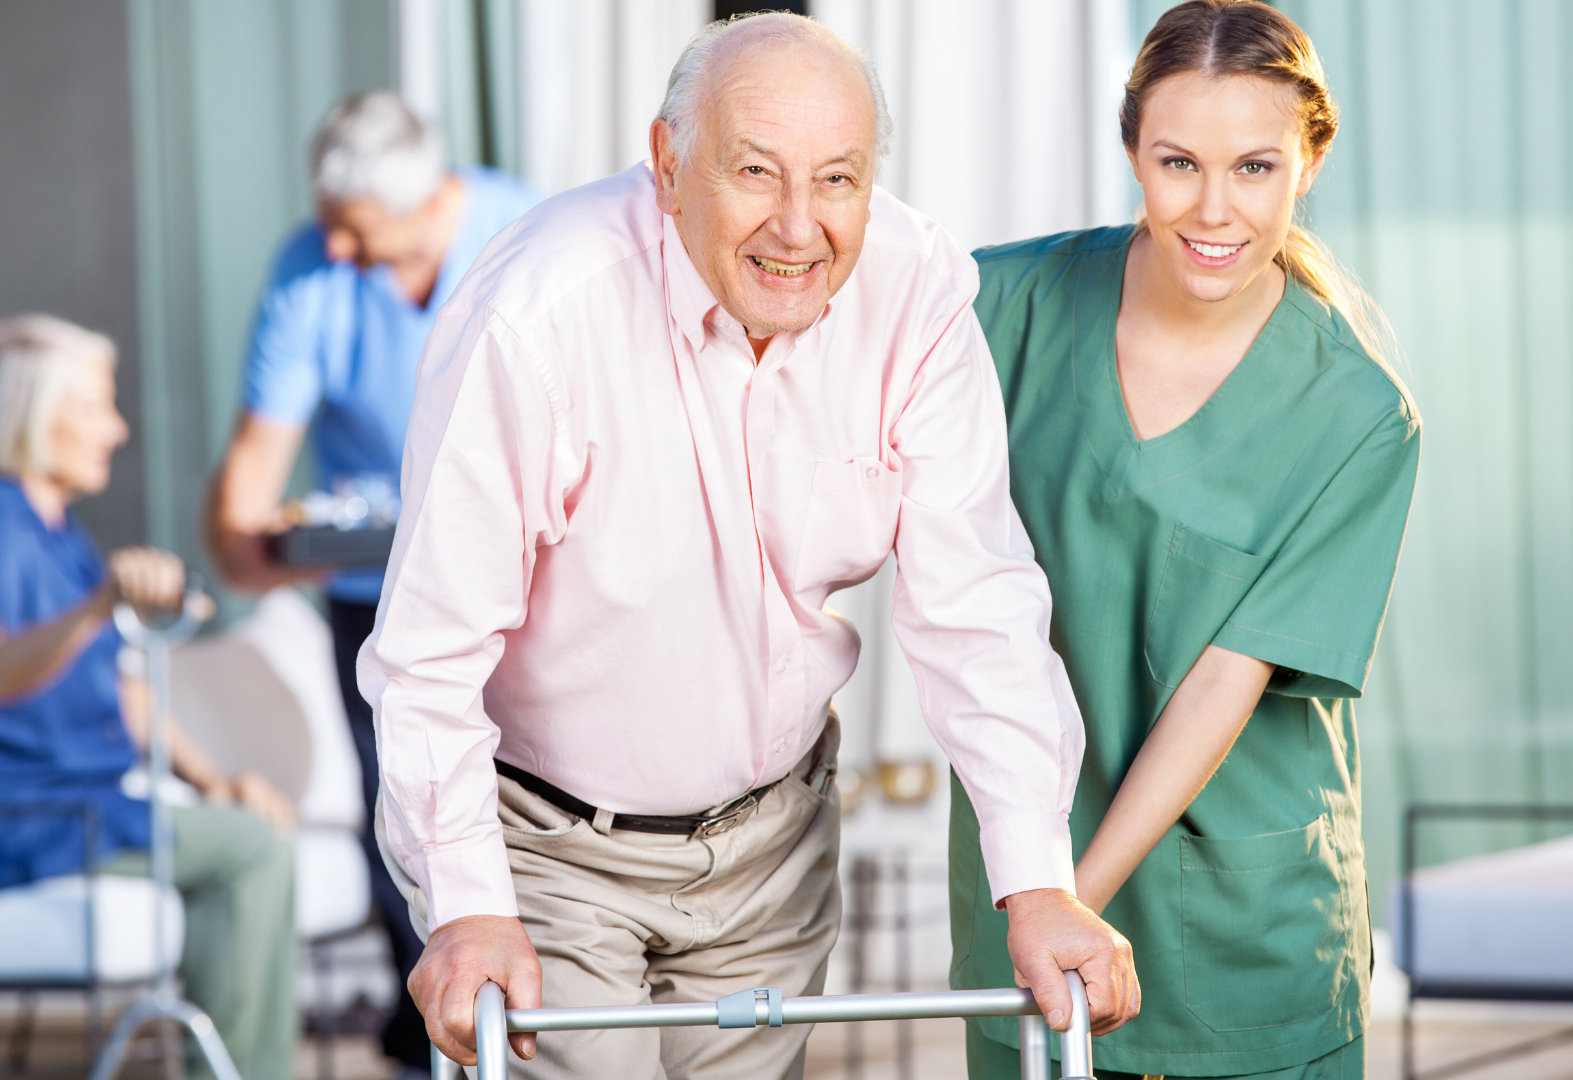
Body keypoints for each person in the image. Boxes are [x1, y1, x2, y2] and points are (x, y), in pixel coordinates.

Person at [360, 13, 1141, 1079]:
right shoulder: (538, 312)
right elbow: (429, 649)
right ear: (669, 164)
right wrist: (465, 906)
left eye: (838, 180)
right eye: (756, 172)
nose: (798, 225)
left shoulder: (915, 291)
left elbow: (978, 606)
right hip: (548, 848)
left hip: (775, 848)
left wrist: (1040, 883)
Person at [948, 3, 1422, 1078]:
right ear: (1130, 151)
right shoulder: (1001, 305)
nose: (1215, 210)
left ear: (1309, 161)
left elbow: (1225, 681)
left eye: (1255, 168)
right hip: (1027, 903)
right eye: (1178, 163)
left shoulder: (1358, 416)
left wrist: (1064, 898)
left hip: (1241, 940)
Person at [203, 90, 540, 1073]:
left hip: (521, 582)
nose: (338, 249)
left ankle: (538, 1022)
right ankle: (432, 1041)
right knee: (406, 813)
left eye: (357, 230)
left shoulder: (521, 234)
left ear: (435, 195)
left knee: (530, 796)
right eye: (329, 226)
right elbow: (245, 508)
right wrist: (271, 542)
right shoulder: (310, 270)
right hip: (378, 594)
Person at [0, 314, 301, 1080]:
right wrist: (95, 607)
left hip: (63, 807)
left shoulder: (59, 535)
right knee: (251, 851)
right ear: (30, 412)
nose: (116, 430)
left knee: (250, 830)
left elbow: (125, 689)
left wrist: (215, 782)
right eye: (94, 407)